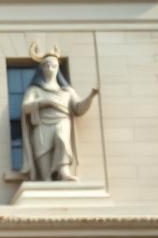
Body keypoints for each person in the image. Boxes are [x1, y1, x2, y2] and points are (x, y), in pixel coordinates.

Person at [20, 47, 99, 181]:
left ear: (58, 68)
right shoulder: (35, 89)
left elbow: (78, 108)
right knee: (42, 151)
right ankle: (46, 179)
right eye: (46, 65)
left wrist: (91, 96)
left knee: (62, 140)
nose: (50, 67)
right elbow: (25, 107)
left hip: (62, 120)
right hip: (42, 124)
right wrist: (44, 102)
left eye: (53, 65)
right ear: (41, 69)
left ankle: (64, 172)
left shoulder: (67, 91)